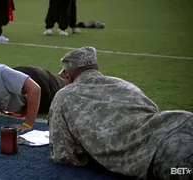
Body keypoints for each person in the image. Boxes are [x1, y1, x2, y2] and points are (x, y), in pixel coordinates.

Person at [48, 47, 193, 180]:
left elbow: (64, 155)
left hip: (163, 155)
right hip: (180, 121)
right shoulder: (123, 84)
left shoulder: (64, 96)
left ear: (68, 77)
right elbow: (151, 109)